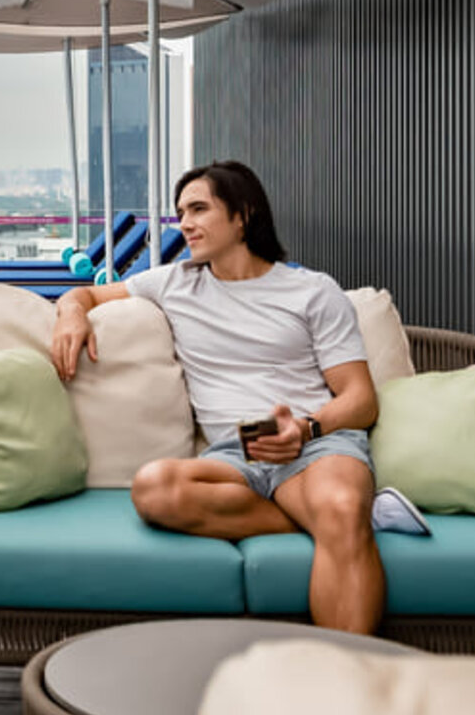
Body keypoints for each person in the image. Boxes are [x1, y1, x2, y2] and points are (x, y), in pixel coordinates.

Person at [49, 160, 394, 634]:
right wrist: (71, 315)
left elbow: (360, 399)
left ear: (243, 215)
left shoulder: (312, 291)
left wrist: (305, 428)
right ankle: (344, 516)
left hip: (314, 441)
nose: (184, 224)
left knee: (338, 507)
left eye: (198, 209)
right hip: (237, 450)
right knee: (153, 488)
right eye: (180, 213)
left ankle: (348, 666)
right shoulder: (172, 282)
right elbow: (84, 295)